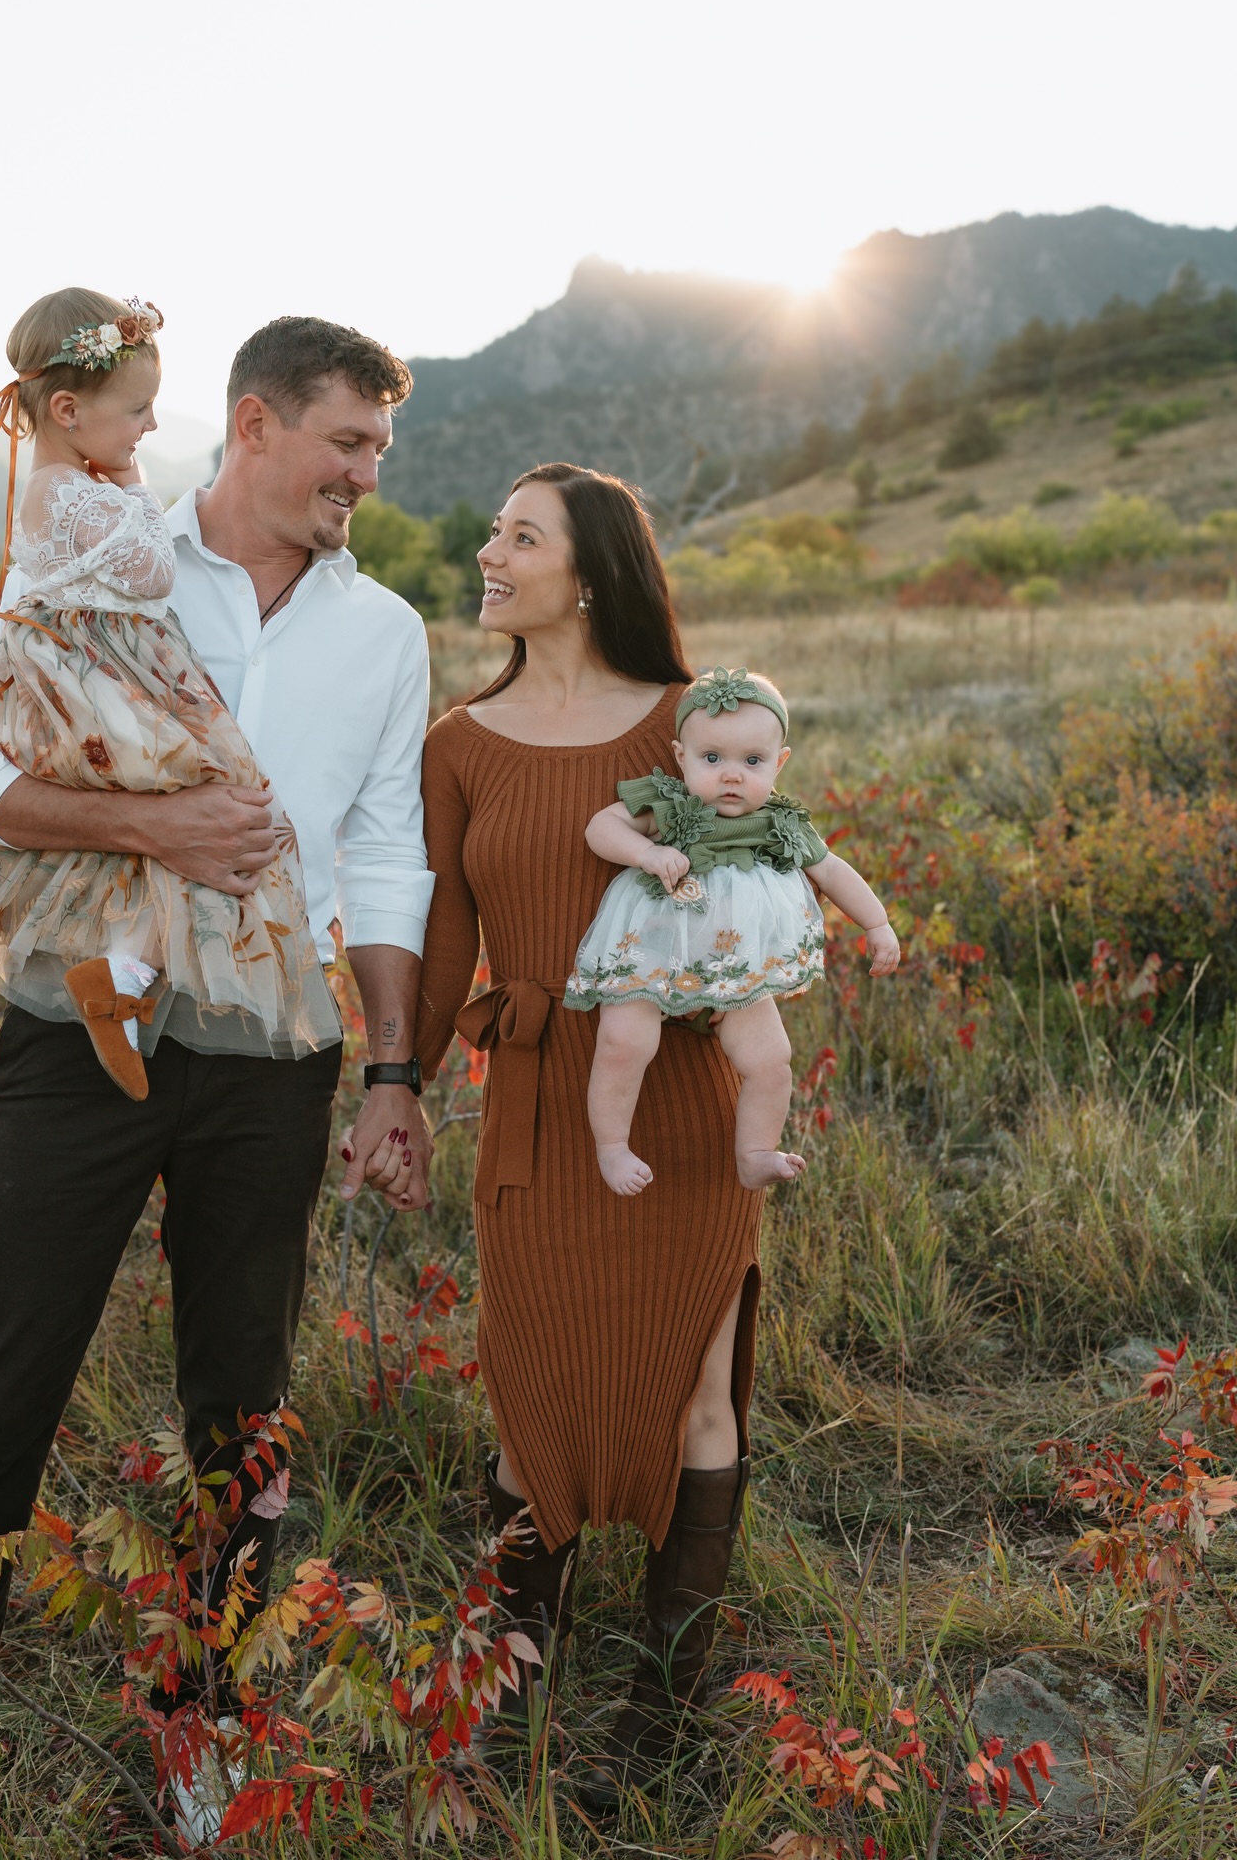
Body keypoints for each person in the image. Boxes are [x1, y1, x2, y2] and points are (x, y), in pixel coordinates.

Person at [0, 316, 435, 1858]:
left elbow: (387, 851)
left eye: (380, 450)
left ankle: (202, 1743)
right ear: (255, 424)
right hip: (73, 1036)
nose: (367, 476)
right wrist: (145, 833)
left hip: (276, 1059)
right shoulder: (103, 550)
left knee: (241, 1419)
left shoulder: (386, 630)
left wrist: (394, 1066)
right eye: (347, 443)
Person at [414, 463, 762, 1811]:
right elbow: (448, 933)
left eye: (519, 536)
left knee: (697, 1386)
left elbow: (761, 898)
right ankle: (513, 1681)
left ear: (592, 572)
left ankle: (669, 1707)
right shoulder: (462, 741)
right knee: (529, 1389)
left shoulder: (690, 724)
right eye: (494, 529)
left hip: (678, 1096)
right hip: (540, 1095)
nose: (490, 553)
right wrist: (400, 1082)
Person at [0, 289, 338, 1125]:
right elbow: (155, 569)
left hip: (74, 677)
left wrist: (117, 474)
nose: (149, 428)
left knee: (18, 845)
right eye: (136, 411)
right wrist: (130, 483)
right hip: (88, 682)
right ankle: (117, 980)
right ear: (68, 410)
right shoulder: (62, 491)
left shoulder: (63, 482)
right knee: (219, 793)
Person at [565, 666, 899, 1195]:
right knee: (623, 1043)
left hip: (733, 970)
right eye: (712, 758)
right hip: (650, 954)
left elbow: (831, 871)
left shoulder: (779, 822)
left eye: (752, 761)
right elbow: (599, 828)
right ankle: (613, 1147)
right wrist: (647, 853)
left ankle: (755, 1152)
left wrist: (876, 923)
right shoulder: (671, 805)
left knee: (772, 1060)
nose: (731, 775)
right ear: (681, 757)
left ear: (779, 763)